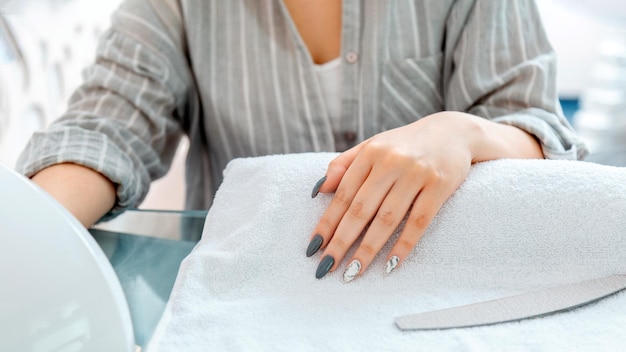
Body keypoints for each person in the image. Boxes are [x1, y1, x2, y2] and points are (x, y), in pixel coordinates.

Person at [17, 0, 587, 282]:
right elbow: (103, 132)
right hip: (246, 305)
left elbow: (539, 134)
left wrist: (459, 131)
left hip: (437, 297)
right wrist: (19, 245)